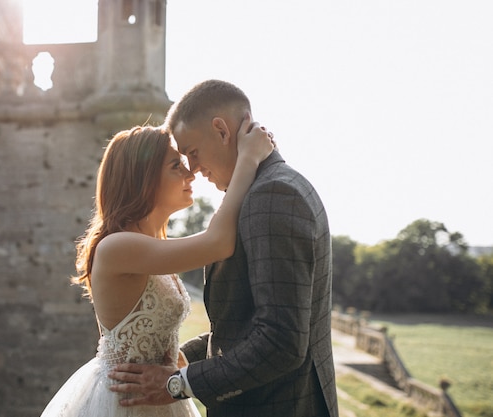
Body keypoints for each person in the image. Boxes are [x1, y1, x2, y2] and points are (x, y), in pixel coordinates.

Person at [109, 80, 339, 417]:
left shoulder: (272, 196)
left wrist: (177, 383)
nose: (193, 169)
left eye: (192, 152)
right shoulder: (266, 192)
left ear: (220, 130)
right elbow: (241, 326)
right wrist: (176, 356)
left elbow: (281, 342)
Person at [39, 117, 274, 417]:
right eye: (176, 165)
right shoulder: (117, 246)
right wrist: (248, 159)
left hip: (158, 394)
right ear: (142, 177)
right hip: (125, 403)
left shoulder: (149, 244)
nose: (191, 173)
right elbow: (218, 243)